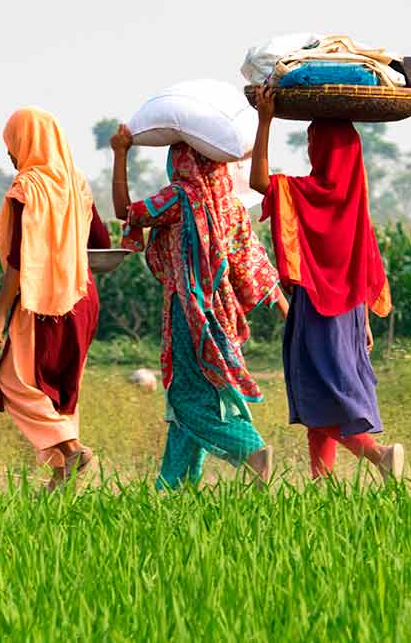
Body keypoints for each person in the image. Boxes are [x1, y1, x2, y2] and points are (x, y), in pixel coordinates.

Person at [112, 124, 287, 490]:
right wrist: (287, 309)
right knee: (196, 399)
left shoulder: (178, 198)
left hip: (188, 314)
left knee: (186, 395)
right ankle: (172, 488)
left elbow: (126, 211)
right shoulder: (231, 206)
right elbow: (253, 263)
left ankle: (250, 450)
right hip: (221, 317)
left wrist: (121, 153)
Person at [250, 86, 405, 481]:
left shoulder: (308, 192)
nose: (308, 147)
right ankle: (322, 487)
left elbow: (258, 181)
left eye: (311, 141)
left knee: (320, 398)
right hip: (350, 312)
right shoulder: (356, 205)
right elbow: (365, 265)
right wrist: (365, 320)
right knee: (321, 400)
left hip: (319, 311)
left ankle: (380, 455)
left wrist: (265, 120)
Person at [0, 107, 111, 490]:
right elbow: (101, 243)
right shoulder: (77, 183)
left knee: (15, 381)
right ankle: (61, 476)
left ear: (25, 143)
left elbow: (19, 261)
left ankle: (71, 450)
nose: (9, 154)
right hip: (82, 296)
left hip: (43, 301)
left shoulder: (28, 188)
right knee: (62, 384)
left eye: (11, 144)